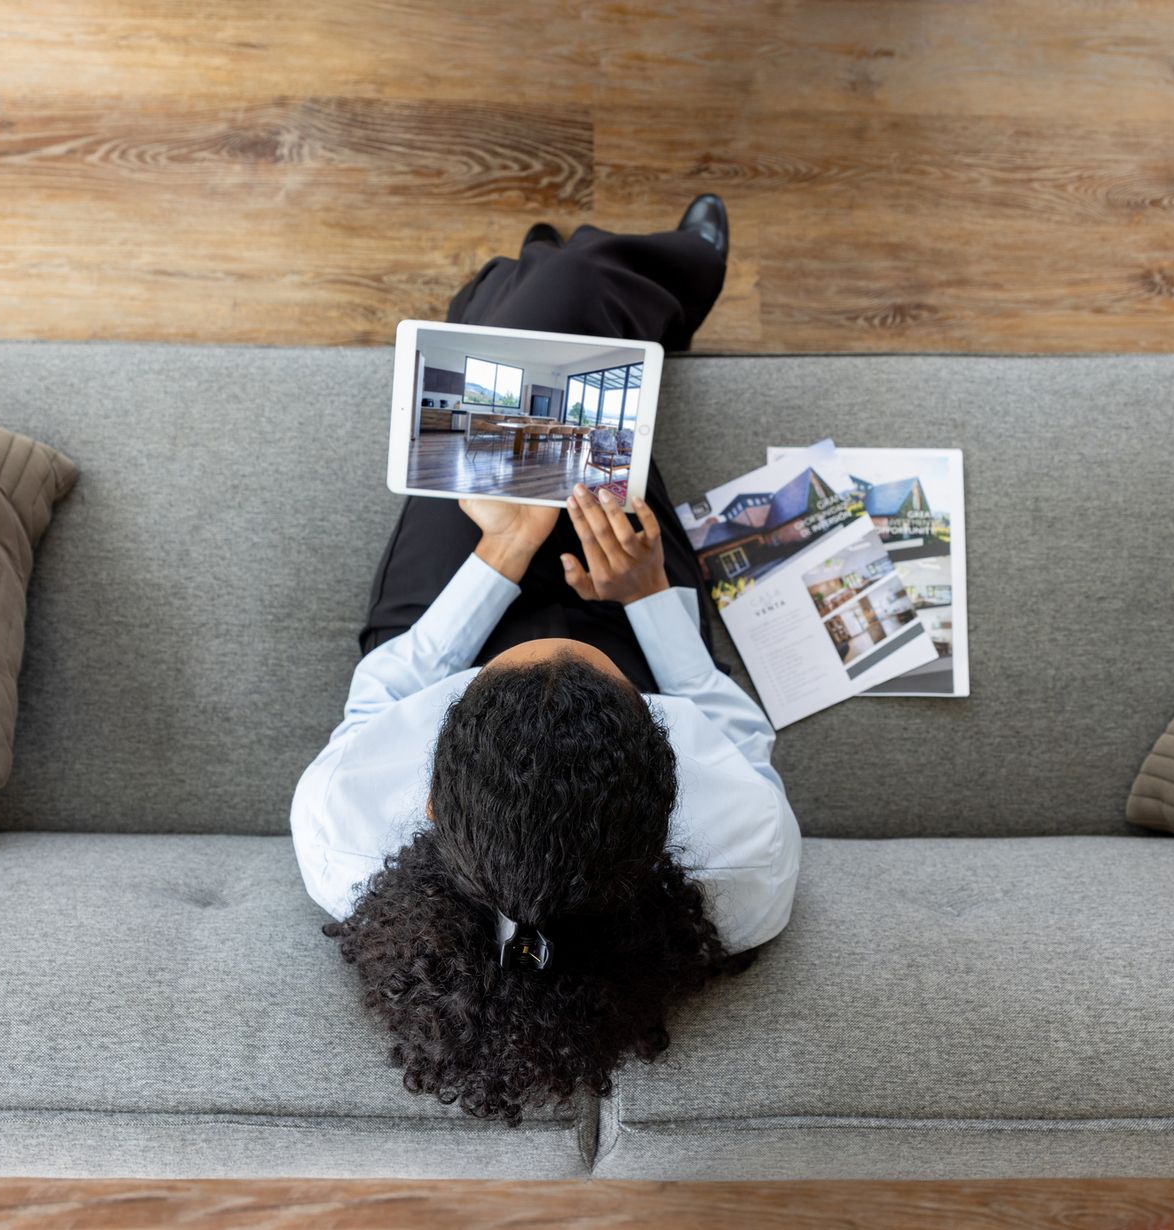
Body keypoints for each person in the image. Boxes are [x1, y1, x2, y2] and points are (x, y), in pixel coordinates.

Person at [289, 196, 802, 1126]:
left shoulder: (347, 838)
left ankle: (523, 280)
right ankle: (635, 272)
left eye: (524, 663)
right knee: (569, 350)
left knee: (518, 351)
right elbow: (734, 729)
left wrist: (503, 554)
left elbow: (386, 694)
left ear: (433, 794)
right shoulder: (743, 865)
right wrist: (646, 597)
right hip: (639, 640)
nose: (545, 640)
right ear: (664, 790)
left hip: (444, 638)